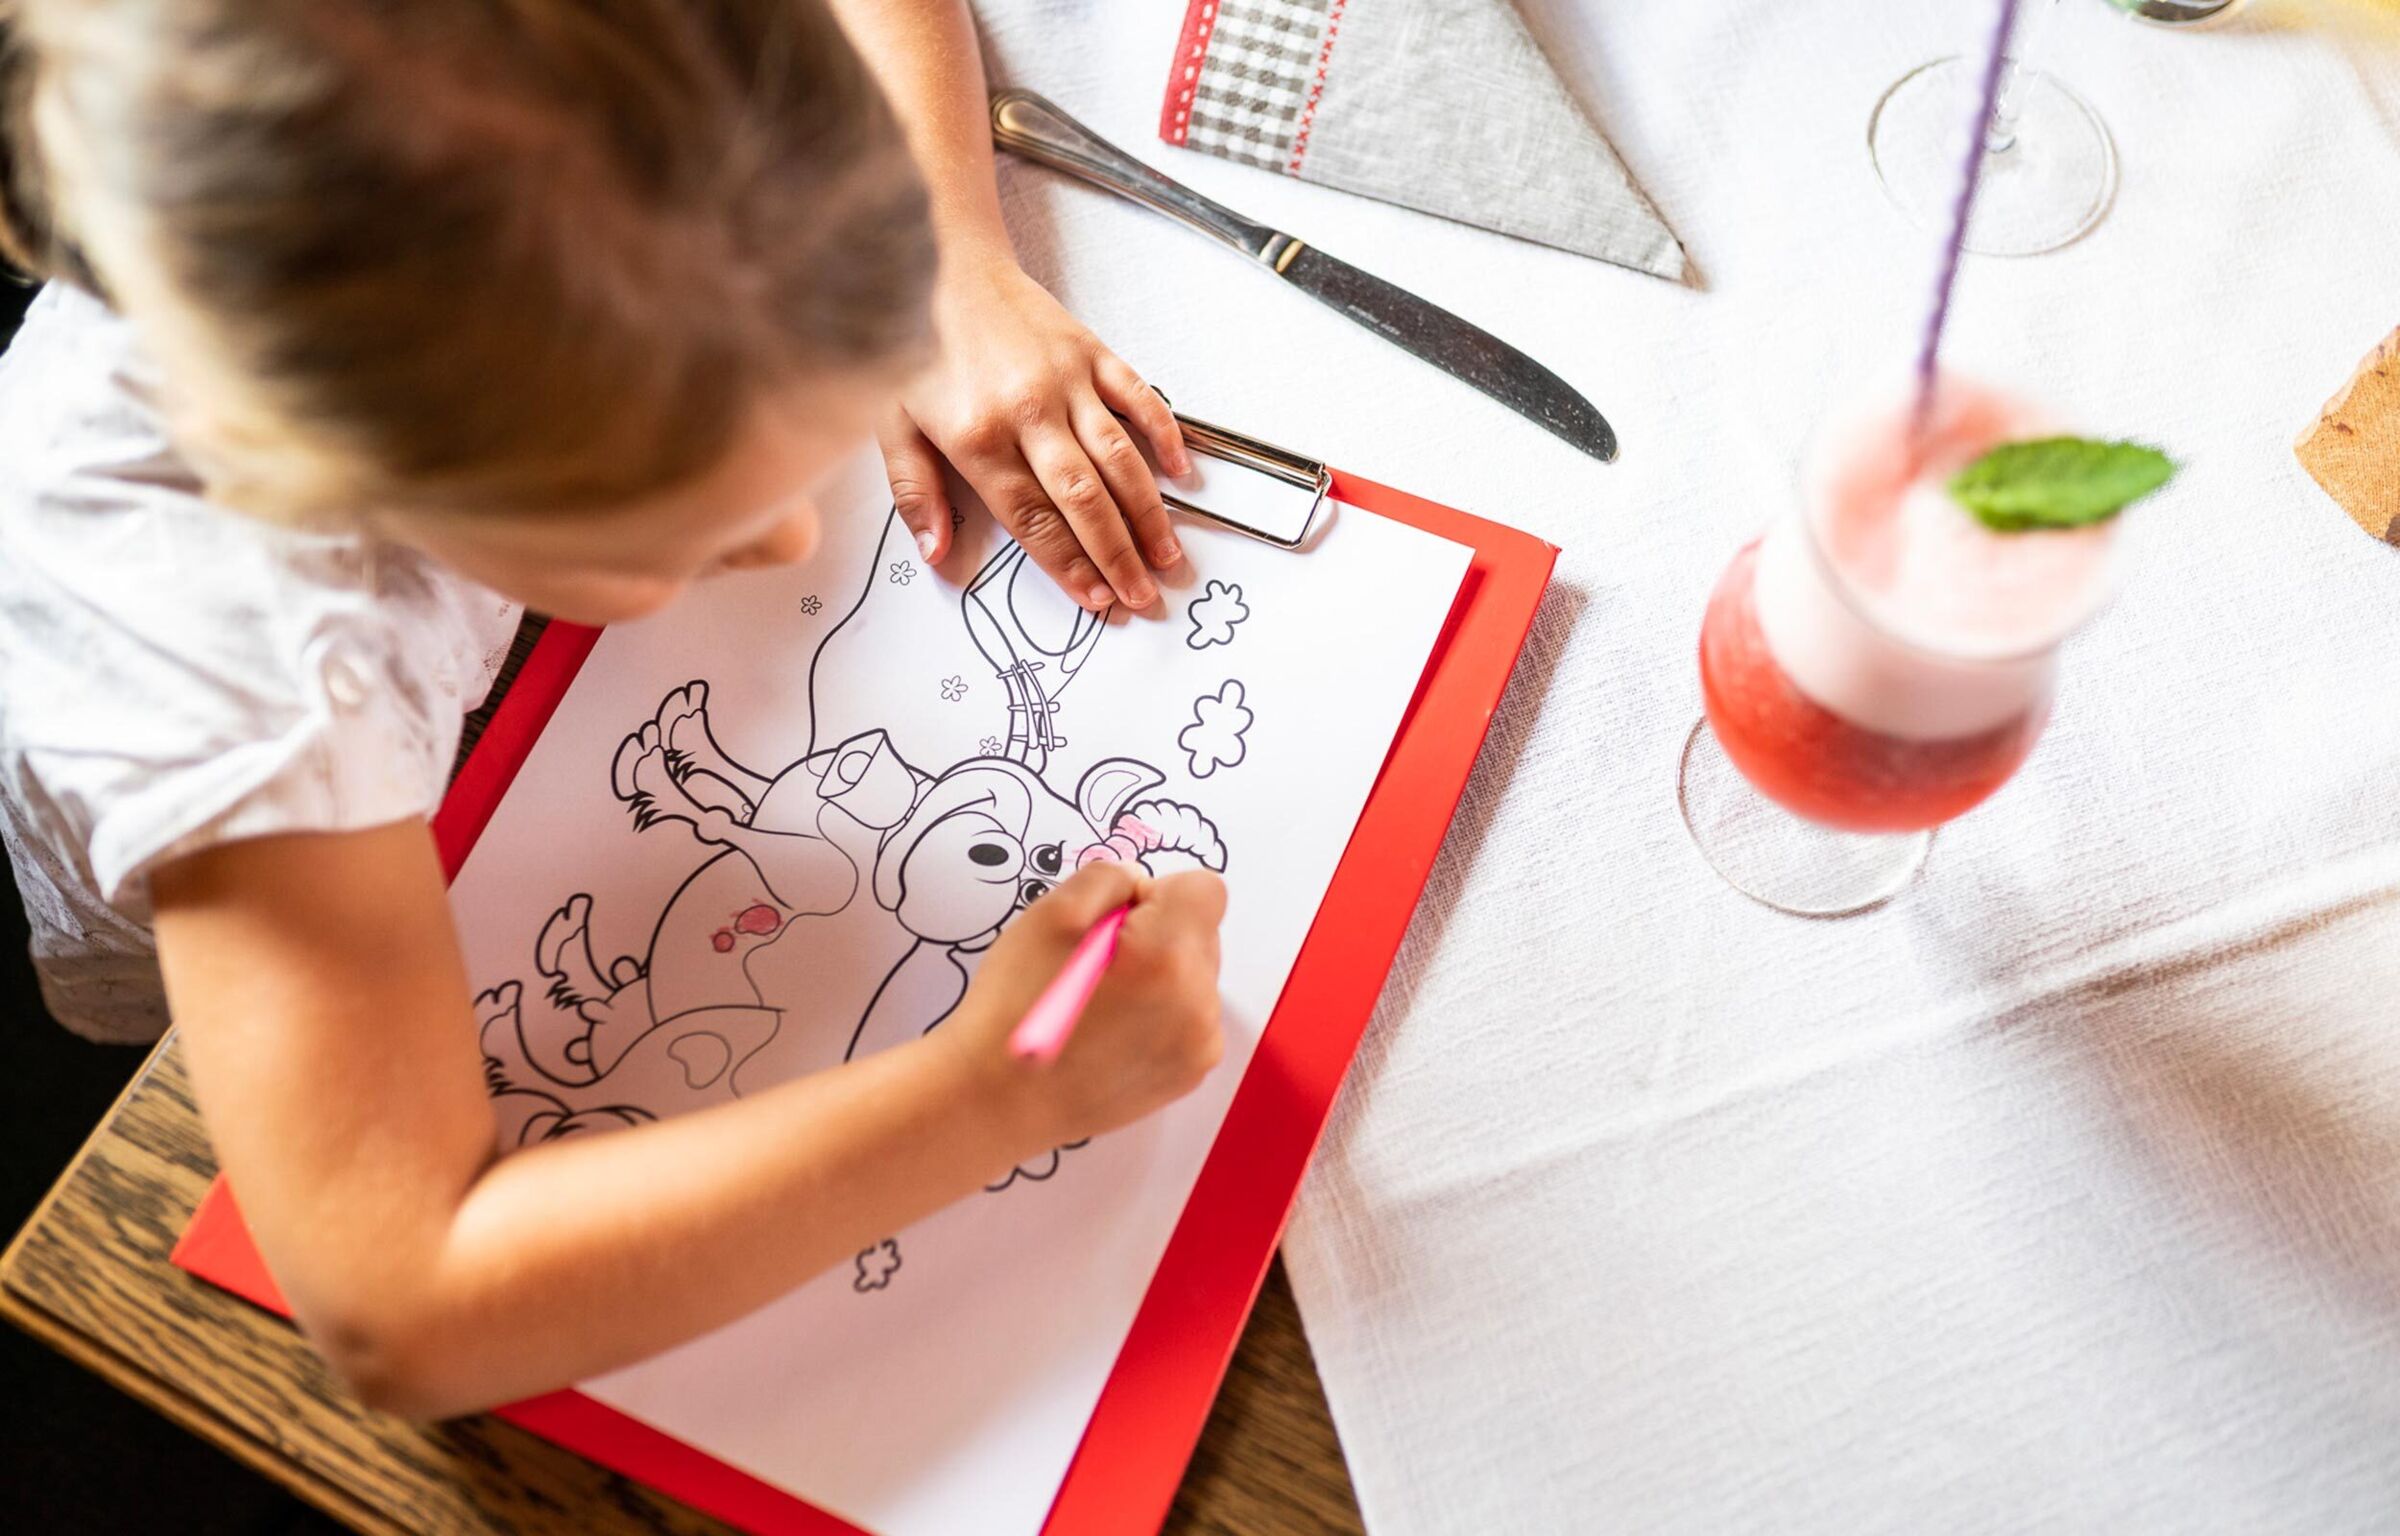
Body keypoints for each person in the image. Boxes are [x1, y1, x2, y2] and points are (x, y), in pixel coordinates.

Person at [0, 0, 1227, 1417]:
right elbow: (404, 1308)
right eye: (691, 530)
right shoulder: (252, 678)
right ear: (408, 499)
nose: (790, 545)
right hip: (271, 932)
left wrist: (927, 262)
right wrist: (1001, 1090)